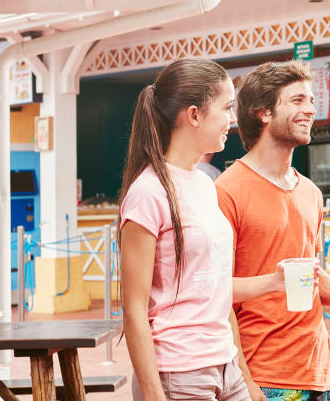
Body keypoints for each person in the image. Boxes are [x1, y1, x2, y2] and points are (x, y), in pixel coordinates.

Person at [118, 58, 285, 401]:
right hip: (178, 376)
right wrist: (152, 393)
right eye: (226, 108)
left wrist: (244, 374)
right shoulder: (147, 193)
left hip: (226, 366)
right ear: (194, 115)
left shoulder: (205, 185)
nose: (233, 120)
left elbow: (215, 291)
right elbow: (134, 309)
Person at [215, 60, 330, 401]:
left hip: (317, 370)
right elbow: (216, 293)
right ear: (263, 113)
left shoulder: (310, 192)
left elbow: (308, 276)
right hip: (264, 375)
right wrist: (245, 380)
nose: (311, 110)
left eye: (311, 101)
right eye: (297, 100)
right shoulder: (227, 191)